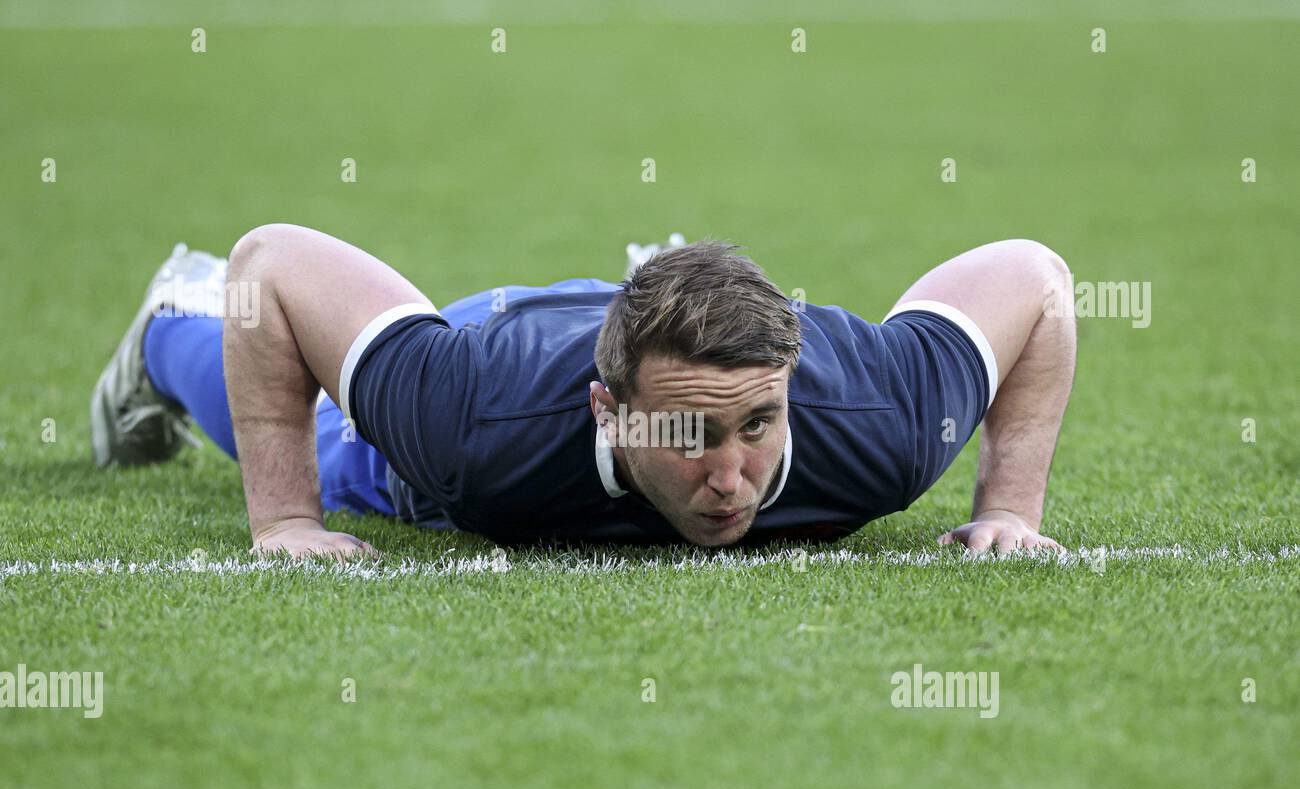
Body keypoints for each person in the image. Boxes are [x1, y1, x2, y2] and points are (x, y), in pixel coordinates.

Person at [90, 227, 1075, 557]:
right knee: (304, 422)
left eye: (757, 425)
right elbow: (273, 263)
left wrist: (1007, 509)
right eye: (690, 433)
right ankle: (166, 315)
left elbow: (1034, 276)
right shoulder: (467, 421)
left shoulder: (881, 421)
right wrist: (285, 519)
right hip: (501, 337)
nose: (731, 477)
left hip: (642, 339)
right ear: (610, 410)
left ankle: (660, 272)